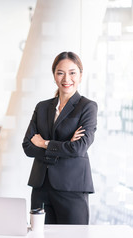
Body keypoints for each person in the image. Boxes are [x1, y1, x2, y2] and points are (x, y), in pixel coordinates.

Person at [22, 51, 98, 224]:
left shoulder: (87, 107)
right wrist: (65, 145)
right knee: (40, 236)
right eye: (60, 73)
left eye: (72, 73)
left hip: (72, 188)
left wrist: (45, 143)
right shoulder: (42, 107)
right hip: (41, 187)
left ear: (80, 75)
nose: (66, 79)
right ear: (54, 76)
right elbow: (27, 146)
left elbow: (79, 148)